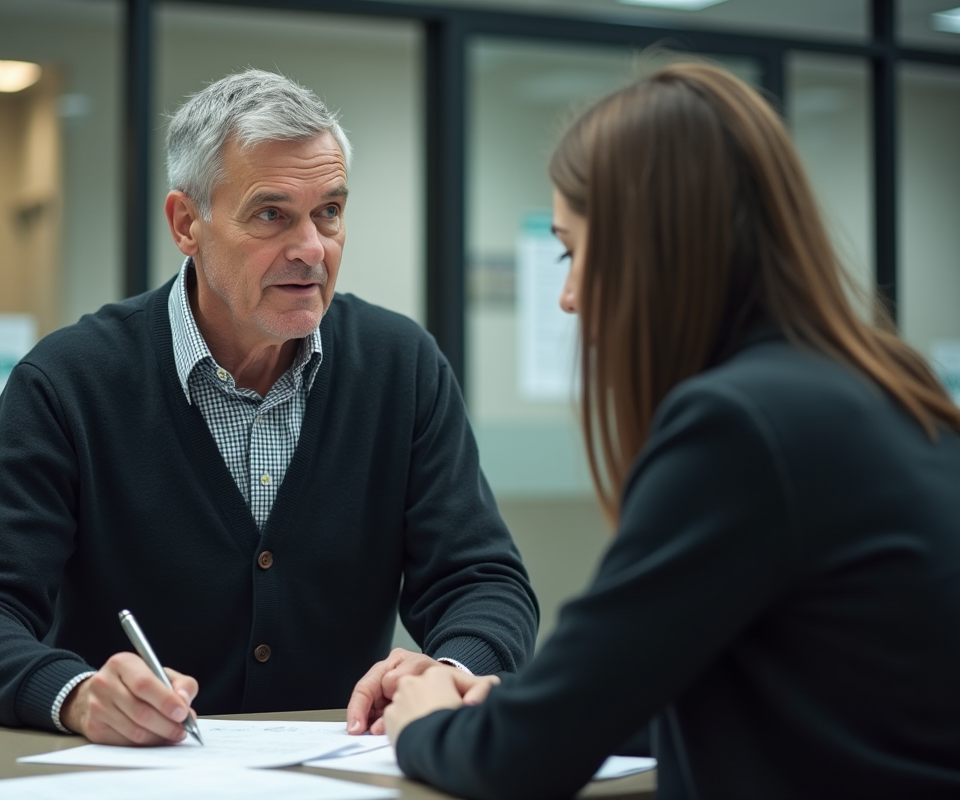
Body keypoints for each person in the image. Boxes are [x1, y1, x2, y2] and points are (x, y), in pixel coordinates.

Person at [384, 62, 960, 799]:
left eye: (570, 250)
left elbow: (518, 762)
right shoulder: (879, 387)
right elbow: (776, 699)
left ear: (645, 248)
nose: (565, 298)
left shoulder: (740, 427)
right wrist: (535, 704)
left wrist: (426, 721)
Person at [0, 69, 538, 746]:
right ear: (187, 223)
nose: (312, 248)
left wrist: (451, 671)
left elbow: (483, 581)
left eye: (329, 211)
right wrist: (75, 696)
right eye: (272, 215)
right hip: (133, 781)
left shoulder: (402, 366)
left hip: (340, 777)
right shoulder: (69, 381)